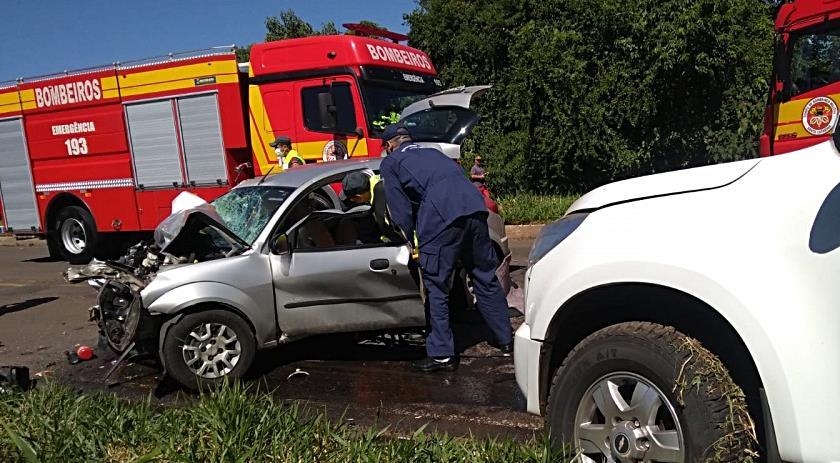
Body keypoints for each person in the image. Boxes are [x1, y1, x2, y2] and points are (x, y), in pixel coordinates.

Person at [379, 124, 513, 373]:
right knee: (485, 277)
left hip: (441, 218)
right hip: (475, 209)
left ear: (389, 146)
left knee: (437, 286)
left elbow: (400, 210)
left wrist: (407, 239)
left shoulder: (392, 163)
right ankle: (504, 339)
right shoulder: (436, 152)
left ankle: (441, 355)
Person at [339, 171, 401, 243]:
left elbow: (396, 230)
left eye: (354, 198)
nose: (352, 201)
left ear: (359, 197)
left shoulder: (381, 203)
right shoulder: (379, 181)